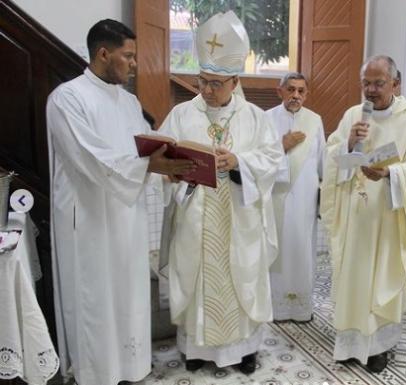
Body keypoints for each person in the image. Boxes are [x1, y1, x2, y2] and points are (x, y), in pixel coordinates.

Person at [46, 19, 195, 385]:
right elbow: (91, 160)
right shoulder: (67, 98)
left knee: (128, 294)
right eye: (127, 56)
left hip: (126, 216)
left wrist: (171, 163)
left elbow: (140, 147)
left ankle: (129, 369)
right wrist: (151, 165)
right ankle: (97, 374)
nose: (134, 64)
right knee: (94, 296)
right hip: (90, 219)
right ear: (103, 53)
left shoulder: (129, 102)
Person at [158, 11, 283, 375]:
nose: (206, 90)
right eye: (202, 81)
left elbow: (271, 160)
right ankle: (197, 350)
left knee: (240, 279)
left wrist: (238, 162)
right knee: (197, 279)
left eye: (215, 83)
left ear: (234, 81)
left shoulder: (255, 118)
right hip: (196, 216)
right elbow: (165, 160)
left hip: (238, 218)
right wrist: (175, 170)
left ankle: (244, 351)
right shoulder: (181, 114)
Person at [320, 55, 406, 373]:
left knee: (383, 280)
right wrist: (349, 145)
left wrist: (390, 175)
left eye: (378, 83)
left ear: (396, 84)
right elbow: (332, 159)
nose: (370, 90)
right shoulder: (353, 115)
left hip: (388, 217)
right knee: (352, 280)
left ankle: (379, 347)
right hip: (355, 216)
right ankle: (350, 343)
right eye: (366, 83)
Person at [267, 72, 325, 322]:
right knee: (276, 250)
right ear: (280, 91)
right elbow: (256, 157)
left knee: (302, 249)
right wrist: (282, 145)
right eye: (291, 90)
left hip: (305, 200)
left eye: (301, 91)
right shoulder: (266, 119)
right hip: (275, 197)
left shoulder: (315, 120)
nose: (296, 95)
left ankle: (301, 309)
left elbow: (322, 160)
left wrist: (326, 192)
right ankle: (275, 308)